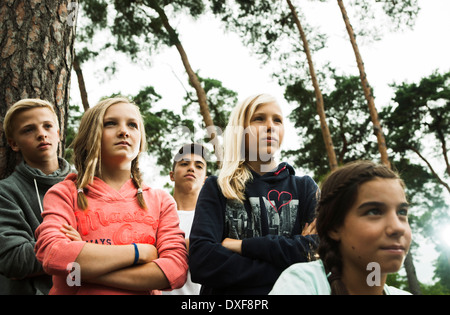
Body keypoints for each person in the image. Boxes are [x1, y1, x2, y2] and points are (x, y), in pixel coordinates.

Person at [34, 97, 188, 295]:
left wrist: (85, 263)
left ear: (140, 142)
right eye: (110, 123)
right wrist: (140, 253)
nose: (124, 131)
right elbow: (53, 254)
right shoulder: (64, 193)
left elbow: (174, 271)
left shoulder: (161, 201)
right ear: (90, 136)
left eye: (132, 125)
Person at [189, 94, 319, 295]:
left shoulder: (304, 188)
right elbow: (202, 261)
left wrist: (241, 246)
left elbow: (318, 251)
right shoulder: (217, 187)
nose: (270, 126)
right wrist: (289, 267)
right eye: (259, 118)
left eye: (277, 120)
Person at [269, 160, 412, 295]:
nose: (397, 228)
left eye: (402, 212)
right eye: (374, 212)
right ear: (334, 227)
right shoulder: (302, 284)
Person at [0, 99, 72, 295]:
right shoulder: (5, 193)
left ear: (58, 134)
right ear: (14, 144)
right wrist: (80, 245)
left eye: (47, 126)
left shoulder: (86, 185)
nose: (42, 134)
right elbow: (14, 259)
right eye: (28, 130)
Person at [162, 143, 208, 295]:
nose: (191, 168)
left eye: (199, 166)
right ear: (171, 175)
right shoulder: (155, 214)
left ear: (205, 180)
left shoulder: (212, 221)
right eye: (184, 163)